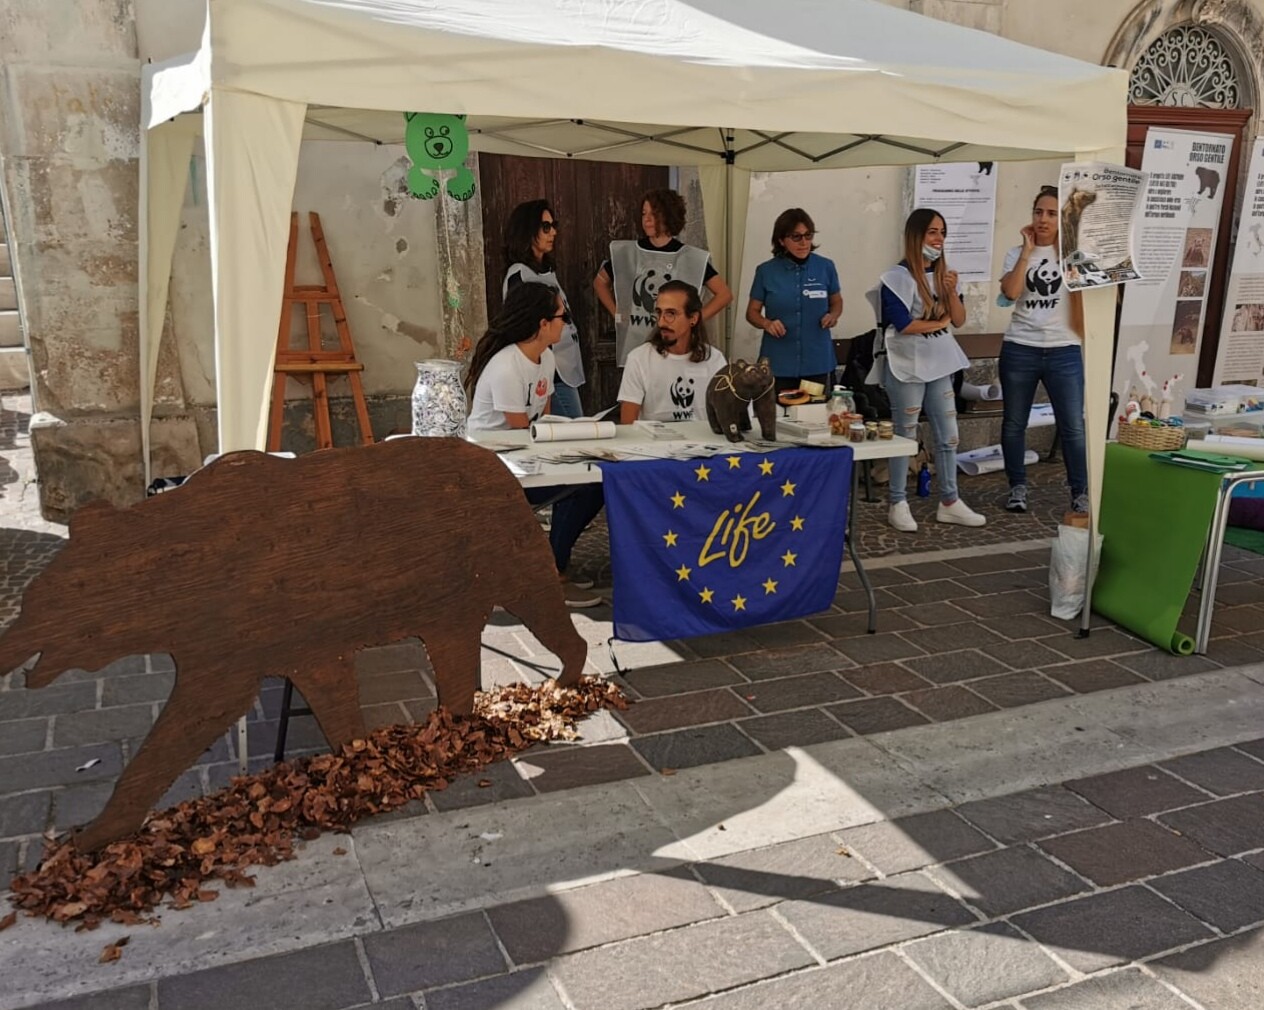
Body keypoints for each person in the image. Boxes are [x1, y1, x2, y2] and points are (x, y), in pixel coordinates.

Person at [465, 282, 604, 607]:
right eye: (561, 316)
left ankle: (553, 563)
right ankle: (549, 572)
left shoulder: (546, 358)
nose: (565, 323)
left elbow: (543, 419)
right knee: (579, 482)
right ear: (543, 324)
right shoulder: (506, 367)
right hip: (495, 464)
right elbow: (519, 431)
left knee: (597, 477)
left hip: (526, 454)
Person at [878, 208, 985, 532]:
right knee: (905, 434)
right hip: (907, 365)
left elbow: (960, 319)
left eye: (942, 232)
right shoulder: (894, 278)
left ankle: (950, 500)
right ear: (916, 236)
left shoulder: (945, 275)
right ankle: (898, 502)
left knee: (949, 436)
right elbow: (904, 323)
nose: (939, 239)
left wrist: (951, 291)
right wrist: (938, 322)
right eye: (932, 232)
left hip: (940, 363)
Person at [998, 185, 1087, 515]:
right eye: (1038, 212)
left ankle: (1080, 491)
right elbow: (1010, 292)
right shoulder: (1016, 252)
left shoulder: (1075, 255)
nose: (1043, 219)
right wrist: (1026, 251)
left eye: (1051, 213)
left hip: (1064, 349)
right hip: (1021, 347)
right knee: (1013, 423)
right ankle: (1017, 487)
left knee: (1072, 426)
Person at [594, 188, 732, 366]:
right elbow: (600, 282)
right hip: (637, 345)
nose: (647, 219)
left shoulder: (691, 258)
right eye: (644, 213)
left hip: (677, 348)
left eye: (654, 213)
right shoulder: (628, 253)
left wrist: (694, 320)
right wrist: (617, 313)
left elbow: (724, 294)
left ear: (669, 215)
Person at [502, 200, 585, 419]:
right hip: (549, 372)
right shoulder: (520, 275)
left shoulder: (545, 271)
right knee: (575, 435)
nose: (553, 232)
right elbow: (523, 328)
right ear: (528, 231)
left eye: (554, 225)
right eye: (545, 227)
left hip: (562, 368)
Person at [745, 208, 843, 392]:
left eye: (808, 235)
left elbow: (837, 301)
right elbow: (751, 312)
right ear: (782, 240)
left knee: (814, 415)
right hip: (779, 362)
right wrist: (766, 323)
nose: (804, 242)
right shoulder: (766, 271)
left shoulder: (825, 267)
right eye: (796, 237)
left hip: (817, 361)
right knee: (777, 416)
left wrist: (833, 315)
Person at [618, 280, 727, 423]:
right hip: (653, 443)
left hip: (703, 442)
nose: (662, 322)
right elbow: (628, 425)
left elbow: (729, 413)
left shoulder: (714, 360)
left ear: (693, 318)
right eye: (659, 313)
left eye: (671, 314)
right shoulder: (639, 359)